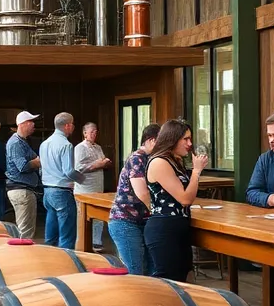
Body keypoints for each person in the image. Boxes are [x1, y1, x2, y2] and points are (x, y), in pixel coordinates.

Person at [144, 119, 208, 280]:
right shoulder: (159, 162)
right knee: (170, 281)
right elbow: (185, 198)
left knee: (183, 277)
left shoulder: (175, 161)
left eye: (190, 139)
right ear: (172, 139)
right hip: (164, 228)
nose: (189, 144)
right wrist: (196, 171)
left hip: (179, 226)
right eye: (185, 139)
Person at [109, 122, 161, 275]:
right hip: (125, 221)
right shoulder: (137, 158)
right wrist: (157, 212)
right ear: (151, 140)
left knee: (152, 269)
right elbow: (142, 192)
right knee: (134, 270)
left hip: (143, 221)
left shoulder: (152, 159)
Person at [40, 112, 83, 249]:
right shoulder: (66, 145)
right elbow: (69, 171)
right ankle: (68, 262)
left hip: (47, 190)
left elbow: (41, 168)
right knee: (67, 235)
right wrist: (82, 179)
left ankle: (50, 261)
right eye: (73, 124)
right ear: (68, 125)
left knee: (51, 234)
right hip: (62, 191)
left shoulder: (44, 144)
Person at [72, 122, 112, 251]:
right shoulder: (80, 147)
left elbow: (102, 161)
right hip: (85, 188)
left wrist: (105, 163)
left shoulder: (98, 147)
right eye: (91, 132)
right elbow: (78, 168)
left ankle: (97, 241)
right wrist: (97, 164)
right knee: (83, 216)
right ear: (84, 133)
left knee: (99, 215)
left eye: (95, 132)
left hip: (98, 186)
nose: (94, 134)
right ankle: (83, 243)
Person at [6, 111, 43, 239]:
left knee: (26, 228)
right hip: (21, 190)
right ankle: (23, 256)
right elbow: (22, 166)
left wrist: (36, 160)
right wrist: (37, 162)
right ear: (23, 124)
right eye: (31, 122)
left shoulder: (22, 142)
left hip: (24, 190)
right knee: (25, 231)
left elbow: (35, 157)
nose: (34, 125)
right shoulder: (16, 143)